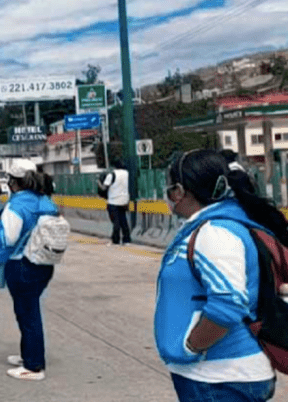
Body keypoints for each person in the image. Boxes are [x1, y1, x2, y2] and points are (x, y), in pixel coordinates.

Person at [155, 149, 277, 402]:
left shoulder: (215, 233)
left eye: (170, 187)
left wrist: (190, 348)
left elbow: (229, 303)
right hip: (217, 375)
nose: (168, 194)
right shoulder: (211, 226)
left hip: (219, 377)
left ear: (181, 190)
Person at [0, 161, 58, 381]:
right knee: (29, 312)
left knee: (27, 315)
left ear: (13, 182)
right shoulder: (45, 201)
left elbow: (9, 238)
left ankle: (34, 366)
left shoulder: (16, 205)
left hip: (21, 264)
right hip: (43, 263)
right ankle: (29, 355)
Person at [97, 160, 131, 246]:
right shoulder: (126, 173)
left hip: (113, 201)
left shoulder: (111, 174)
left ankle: (116, 240)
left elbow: (104, 187)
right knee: (123, 220)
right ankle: (126, 240)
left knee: (115, 221)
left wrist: (99, 183)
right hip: (124, 200)